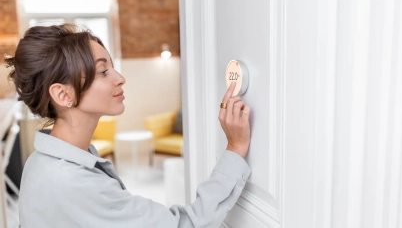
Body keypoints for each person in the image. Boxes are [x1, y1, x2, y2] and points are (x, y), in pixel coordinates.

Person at [4, 23, 251, 228]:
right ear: (63, 94)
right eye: (103, 71)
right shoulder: (73, 182)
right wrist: (235, 148)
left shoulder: (39, 162)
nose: (120, 78)